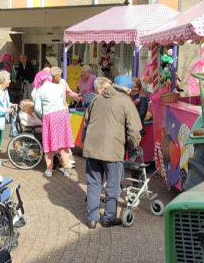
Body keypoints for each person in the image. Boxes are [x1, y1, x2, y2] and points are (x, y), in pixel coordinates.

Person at [82, 75, 142, 229]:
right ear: (127, 89)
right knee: (113, 184)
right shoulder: (126, 103)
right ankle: (109, 218)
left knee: (94, 183)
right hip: (113, 149)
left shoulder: (97, 98)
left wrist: (86, 142)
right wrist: (133, 147)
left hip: (92, 147)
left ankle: (92, 219)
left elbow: (86, 122)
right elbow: (134, 130)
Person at [34, 67, 78, 178]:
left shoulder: (40, 90)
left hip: (49, 116)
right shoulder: (58, 87)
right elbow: (62, 100)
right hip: (62, 115)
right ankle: (66, 169)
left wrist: (42, 115)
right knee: (64, 144)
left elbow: (38, 109)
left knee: (49, 144)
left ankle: (49, 170)